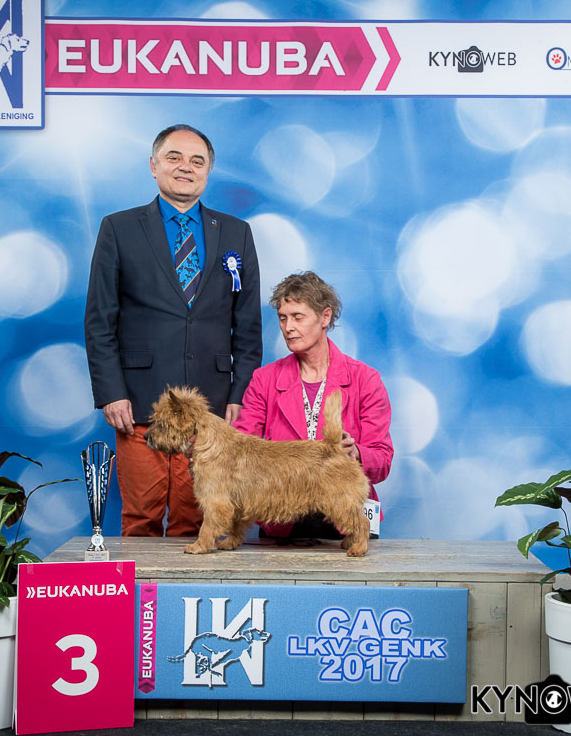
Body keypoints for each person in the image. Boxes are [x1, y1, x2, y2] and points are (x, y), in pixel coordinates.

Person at [84, 124, 262, 537]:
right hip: (139, 403)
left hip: (210, 409)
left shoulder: (236, 232)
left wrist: (240, 395)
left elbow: (248, 328)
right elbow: (99, 320)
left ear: (208, 172)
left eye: (197, 161)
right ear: (154, 165)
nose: (186, 167)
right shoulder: (119, 228)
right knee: (140, 517)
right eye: (174, 157)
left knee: (199, 519)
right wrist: (111, 391)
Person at [234, 271, 392, 539]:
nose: (288, 327)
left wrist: (355, 453)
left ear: (325, 317)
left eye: (298, 317)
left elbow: (383, 459)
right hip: (283, 520)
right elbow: (241, 447)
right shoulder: (263, 379)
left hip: (345, 521)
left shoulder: (366, 379)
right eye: (282, 318)